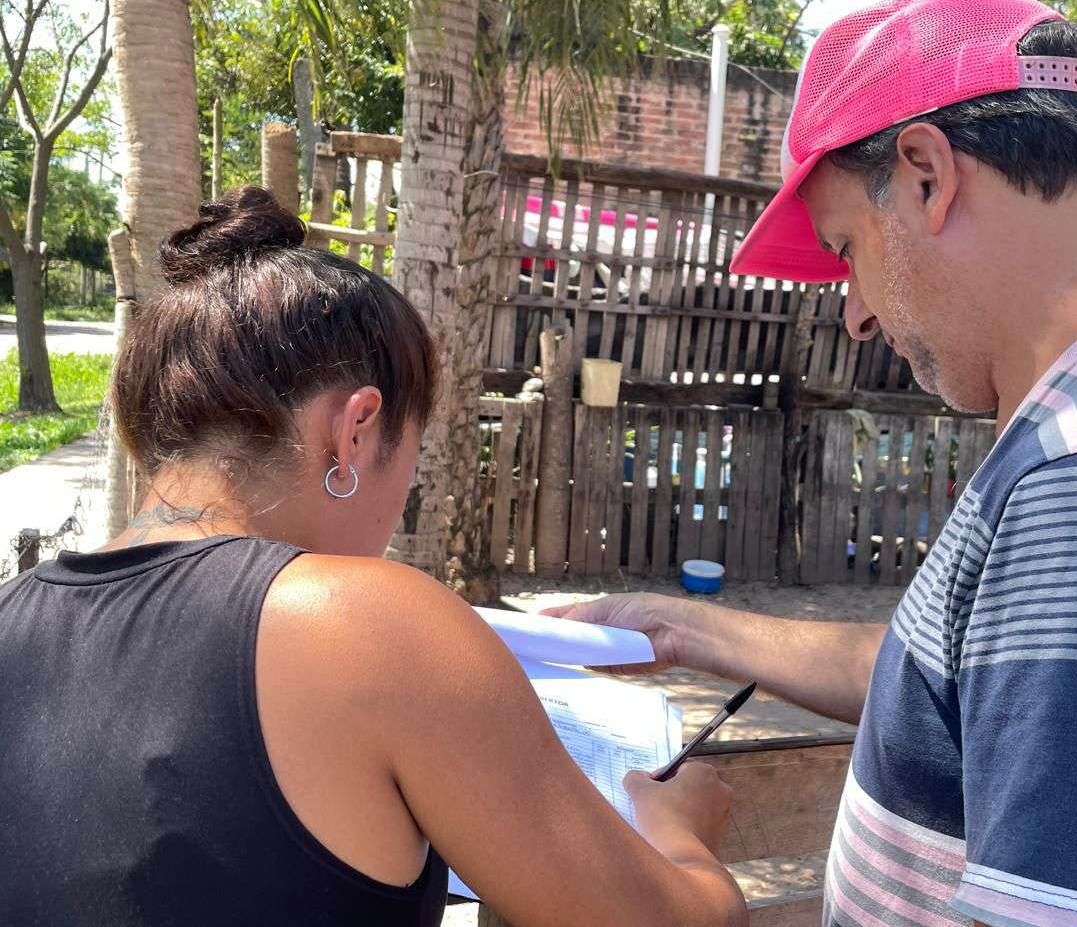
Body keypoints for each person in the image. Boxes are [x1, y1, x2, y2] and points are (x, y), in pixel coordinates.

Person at [546, 0, 1077, 927]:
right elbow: (987, 685)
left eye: (847, 248)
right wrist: (683, 629)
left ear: (927, 175)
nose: (855, 314)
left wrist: (676, 867)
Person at [0, 187, 747, 927]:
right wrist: (679, 834)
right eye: (410, 462)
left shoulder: (12, 615)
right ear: (354, 431)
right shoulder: (368, 623)